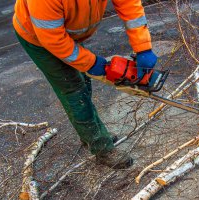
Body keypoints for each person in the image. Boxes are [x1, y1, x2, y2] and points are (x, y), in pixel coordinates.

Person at [13, 0, 158, 169]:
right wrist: (91, 63)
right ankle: (102, 148)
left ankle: (91, 134)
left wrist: (143, 46)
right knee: (74, 91)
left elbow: (128, 4)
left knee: (84, 80)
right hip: (40, 39)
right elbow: (54, 41)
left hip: (66, 32)